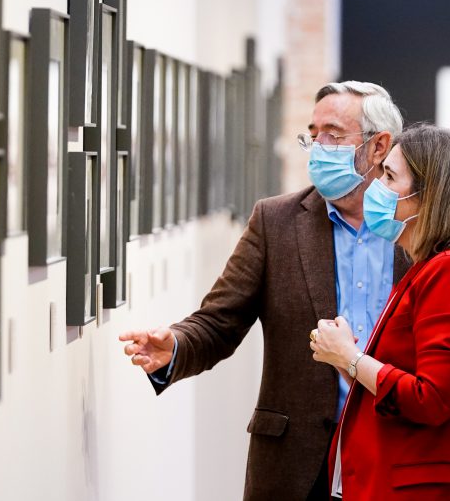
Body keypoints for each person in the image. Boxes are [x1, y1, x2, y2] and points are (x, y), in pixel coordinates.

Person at [119, 81, 408, 500]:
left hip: (394, 453)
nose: (318, 146)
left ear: (379, 146)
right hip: (296, 464)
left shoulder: (417, 229)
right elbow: (221, 320)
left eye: (334, 134)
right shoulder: (277, 221)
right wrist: (176, 345)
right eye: (314, 133)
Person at [311, 125, 450, 500]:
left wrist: (351, 357)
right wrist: (344, 358)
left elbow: (431, 397)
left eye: (390, 176)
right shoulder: (430, 268)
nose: (377, 186)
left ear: (430, 197)